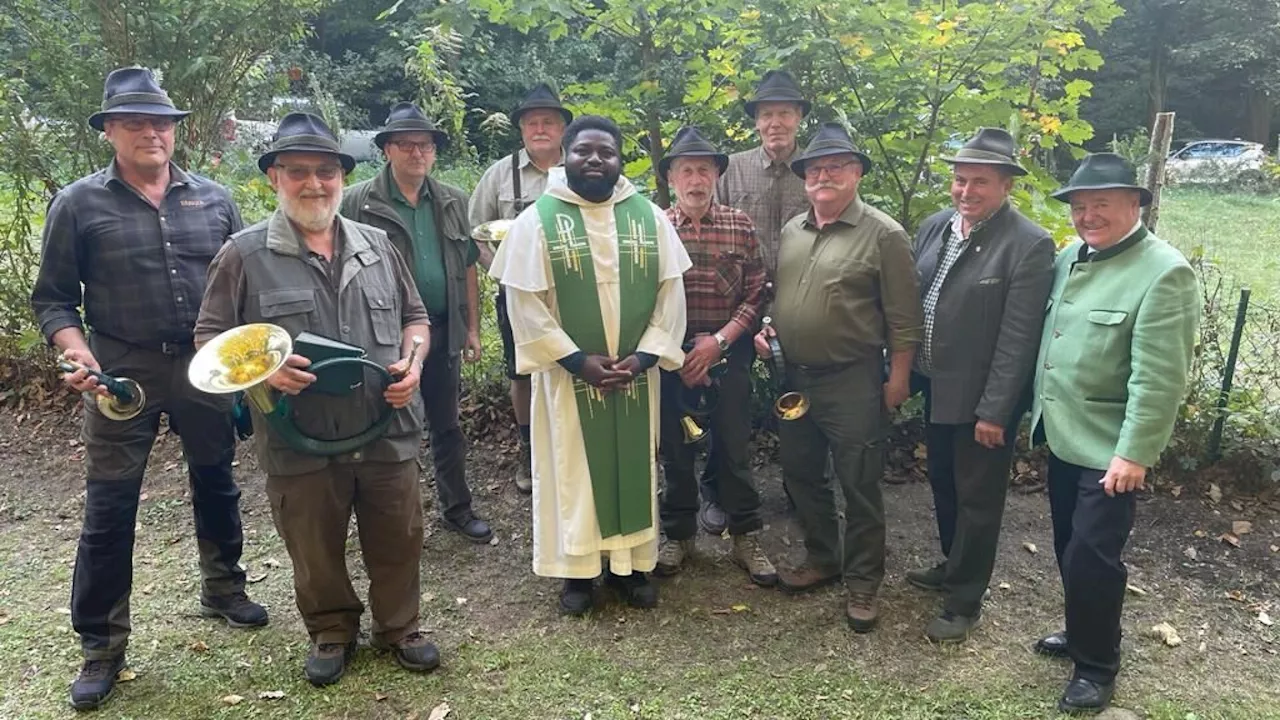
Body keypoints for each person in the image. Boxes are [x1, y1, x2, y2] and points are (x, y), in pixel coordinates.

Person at [30, 66, 265, 711]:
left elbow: (242, 288)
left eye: (160, 123)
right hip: (119, 373)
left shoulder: (214, 200)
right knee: (110, 505)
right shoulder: (79, 203)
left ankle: (224, 588)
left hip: (204, 370)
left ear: (174, 132)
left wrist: (245, 361)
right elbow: (52, 300)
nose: (151, 133)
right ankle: (101, 645)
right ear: (109, 130)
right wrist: (75, 353)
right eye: (134, 122)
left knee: (216, 481)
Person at [196, 112, 439, 686]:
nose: (314, 184)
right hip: (296, 436)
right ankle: (331, 630)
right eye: (298, 172)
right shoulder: (244, 253)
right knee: (312, 544)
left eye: (326, 172)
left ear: (341, 176)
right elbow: (210, 340)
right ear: (274, 179)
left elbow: (416, 317)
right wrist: (265, 375)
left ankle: (401, 627)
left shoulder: (379, 245)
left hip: (386, 426)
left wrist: (415, 361)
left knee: (399, 534)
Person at [490, 115, 691, 615]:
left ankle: (632, 566)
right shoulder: (537, 220)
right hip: (569, 379)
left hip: (634, 380)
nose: (596, 159)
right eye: (584, 151)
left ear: (621, 159)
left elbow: (672, 296)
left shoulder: (648, 217)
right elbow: (525, 305)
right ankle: (576, 574)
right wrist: (579, 362)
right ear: (566, 156)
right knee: (571, 471)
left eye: (607, 151)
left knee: (636, 466)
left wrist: (643, 358)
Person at [1029, 153, 1199, 713]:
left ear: (1135, 205)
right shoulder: (1071, 257)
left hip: (1111, 449)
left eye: (1101, 204)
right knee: (1067, 545)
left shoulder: (1164, 271)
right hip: (1062, 434)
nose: (1088, 216)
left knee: (1093, 555)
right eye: (1080, 206)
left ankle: (1097, 666)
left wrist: (1134, 453)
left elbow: (1159, 378)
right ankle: (1082, 633)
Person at [753, 123, 923, 632]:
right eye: (814, 170)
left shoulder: (884, 234)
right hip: (794, 378)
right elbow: (781, 296)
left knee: (860, 482)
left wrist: (898, 379)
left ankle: (865, 583)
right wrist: (768, 329)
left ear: (856, 174)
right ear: (804, 179)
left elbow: (904, 319)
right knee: (802, 473)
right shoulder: (792, 230)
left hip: (853, 380)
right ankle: (824, 557)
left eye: (835, 168)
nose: (822, 176)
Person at [906, 128, 1055, 643]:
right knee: (944, 482)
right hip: (937, 383)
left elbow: (1018, 337)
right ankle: (953, 564)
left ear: (1006, 186)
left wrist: (995, 410)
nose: (966, 191)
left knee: (978, 497)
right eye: (960, 180)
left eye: (980, 183)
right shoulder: (936, 227)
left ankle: (965, 599)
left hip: (985, 399)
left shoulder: (1028, 245)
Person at [341, 103, 492, 543]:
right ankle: (387, 518)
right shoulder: (358, 202)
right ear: (387, 149)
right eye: (405, 145)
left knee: (446, 424)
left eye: (424, 145)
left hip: (443, 331)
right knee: (386, 428)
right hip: (384, 336)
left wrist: (473, 328)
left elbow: (467, 266)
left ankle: (456, 508)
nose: (416, 153)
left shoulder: (451, 200)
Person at [650, 127, 775, 585]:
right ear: (672, 178)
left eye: (705, 169)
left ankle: (746, 537)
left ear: (717, 175)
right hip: (672, 360)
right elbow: (646, 299)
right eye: (687, 170)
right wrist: (680, 353)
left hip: (729, 354)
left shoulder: (739, 225)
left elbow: (758, 291)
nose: (696, 179)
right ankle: (679, 536)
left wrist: (718, 342)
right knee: (676, 453)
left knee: (734, 449)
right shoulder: (656, 227)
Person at [703, 69, 812, 534]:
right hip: (738, 308)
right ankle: (717, 492)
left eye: (784, 113)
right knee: (727, 405)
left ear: (799, 118)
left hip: (801, 305)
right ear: (756, 122)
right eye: (767, 114)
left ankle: (804, 491)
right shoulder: (733, 167)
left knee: (805, 403)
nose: (775, 123)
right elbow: (711, 231)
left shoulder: (818, 169)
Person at [469, 83, 572, 494]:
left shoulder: (580, 169)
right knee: (523, 369)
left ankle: (568, 446)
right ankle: (530, 451)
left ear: (563, 128)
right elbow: (474, 233)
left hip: (574, 292)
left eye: (549, 121)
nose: (541, 129)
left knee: (574, 364)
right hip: (517, 293)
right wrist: (503, 272)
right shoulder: (499, 174)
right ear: (521, 130)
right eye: (532, 123)